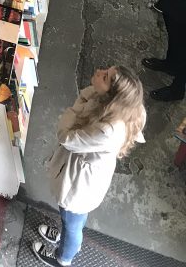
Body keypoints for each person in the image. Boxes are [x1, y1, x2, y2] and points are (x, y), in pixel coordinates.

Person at [32, 65, 146, 267]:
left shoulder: (108, 130)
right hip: (89, 176)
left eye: (106, 77)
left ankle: (63, 258)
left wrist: (78, 105)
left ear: (113, 95)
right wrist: (94, 91)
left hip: (79, 183)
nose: (100, 71)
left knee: (72, 220)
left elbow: (66, 136)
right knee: (75, 219)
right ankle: (68, 240)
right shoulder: (122, 108)